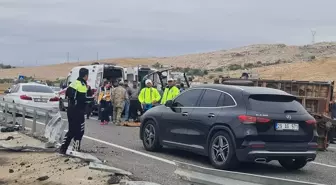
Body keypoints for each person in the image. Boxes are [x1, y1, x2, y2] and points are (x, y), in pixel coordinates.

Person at [60, 68, 93, 154]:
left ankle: (64, 148)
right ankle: (73, 149)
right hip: (78, 110)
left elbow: (68, 95)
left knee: (72, 130)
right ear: (86, 76)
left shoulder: (73, 83)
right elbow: (84, 99)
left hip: (71, 109)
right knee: (79, 131)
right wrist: (93, 99)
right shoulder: (81, 85)